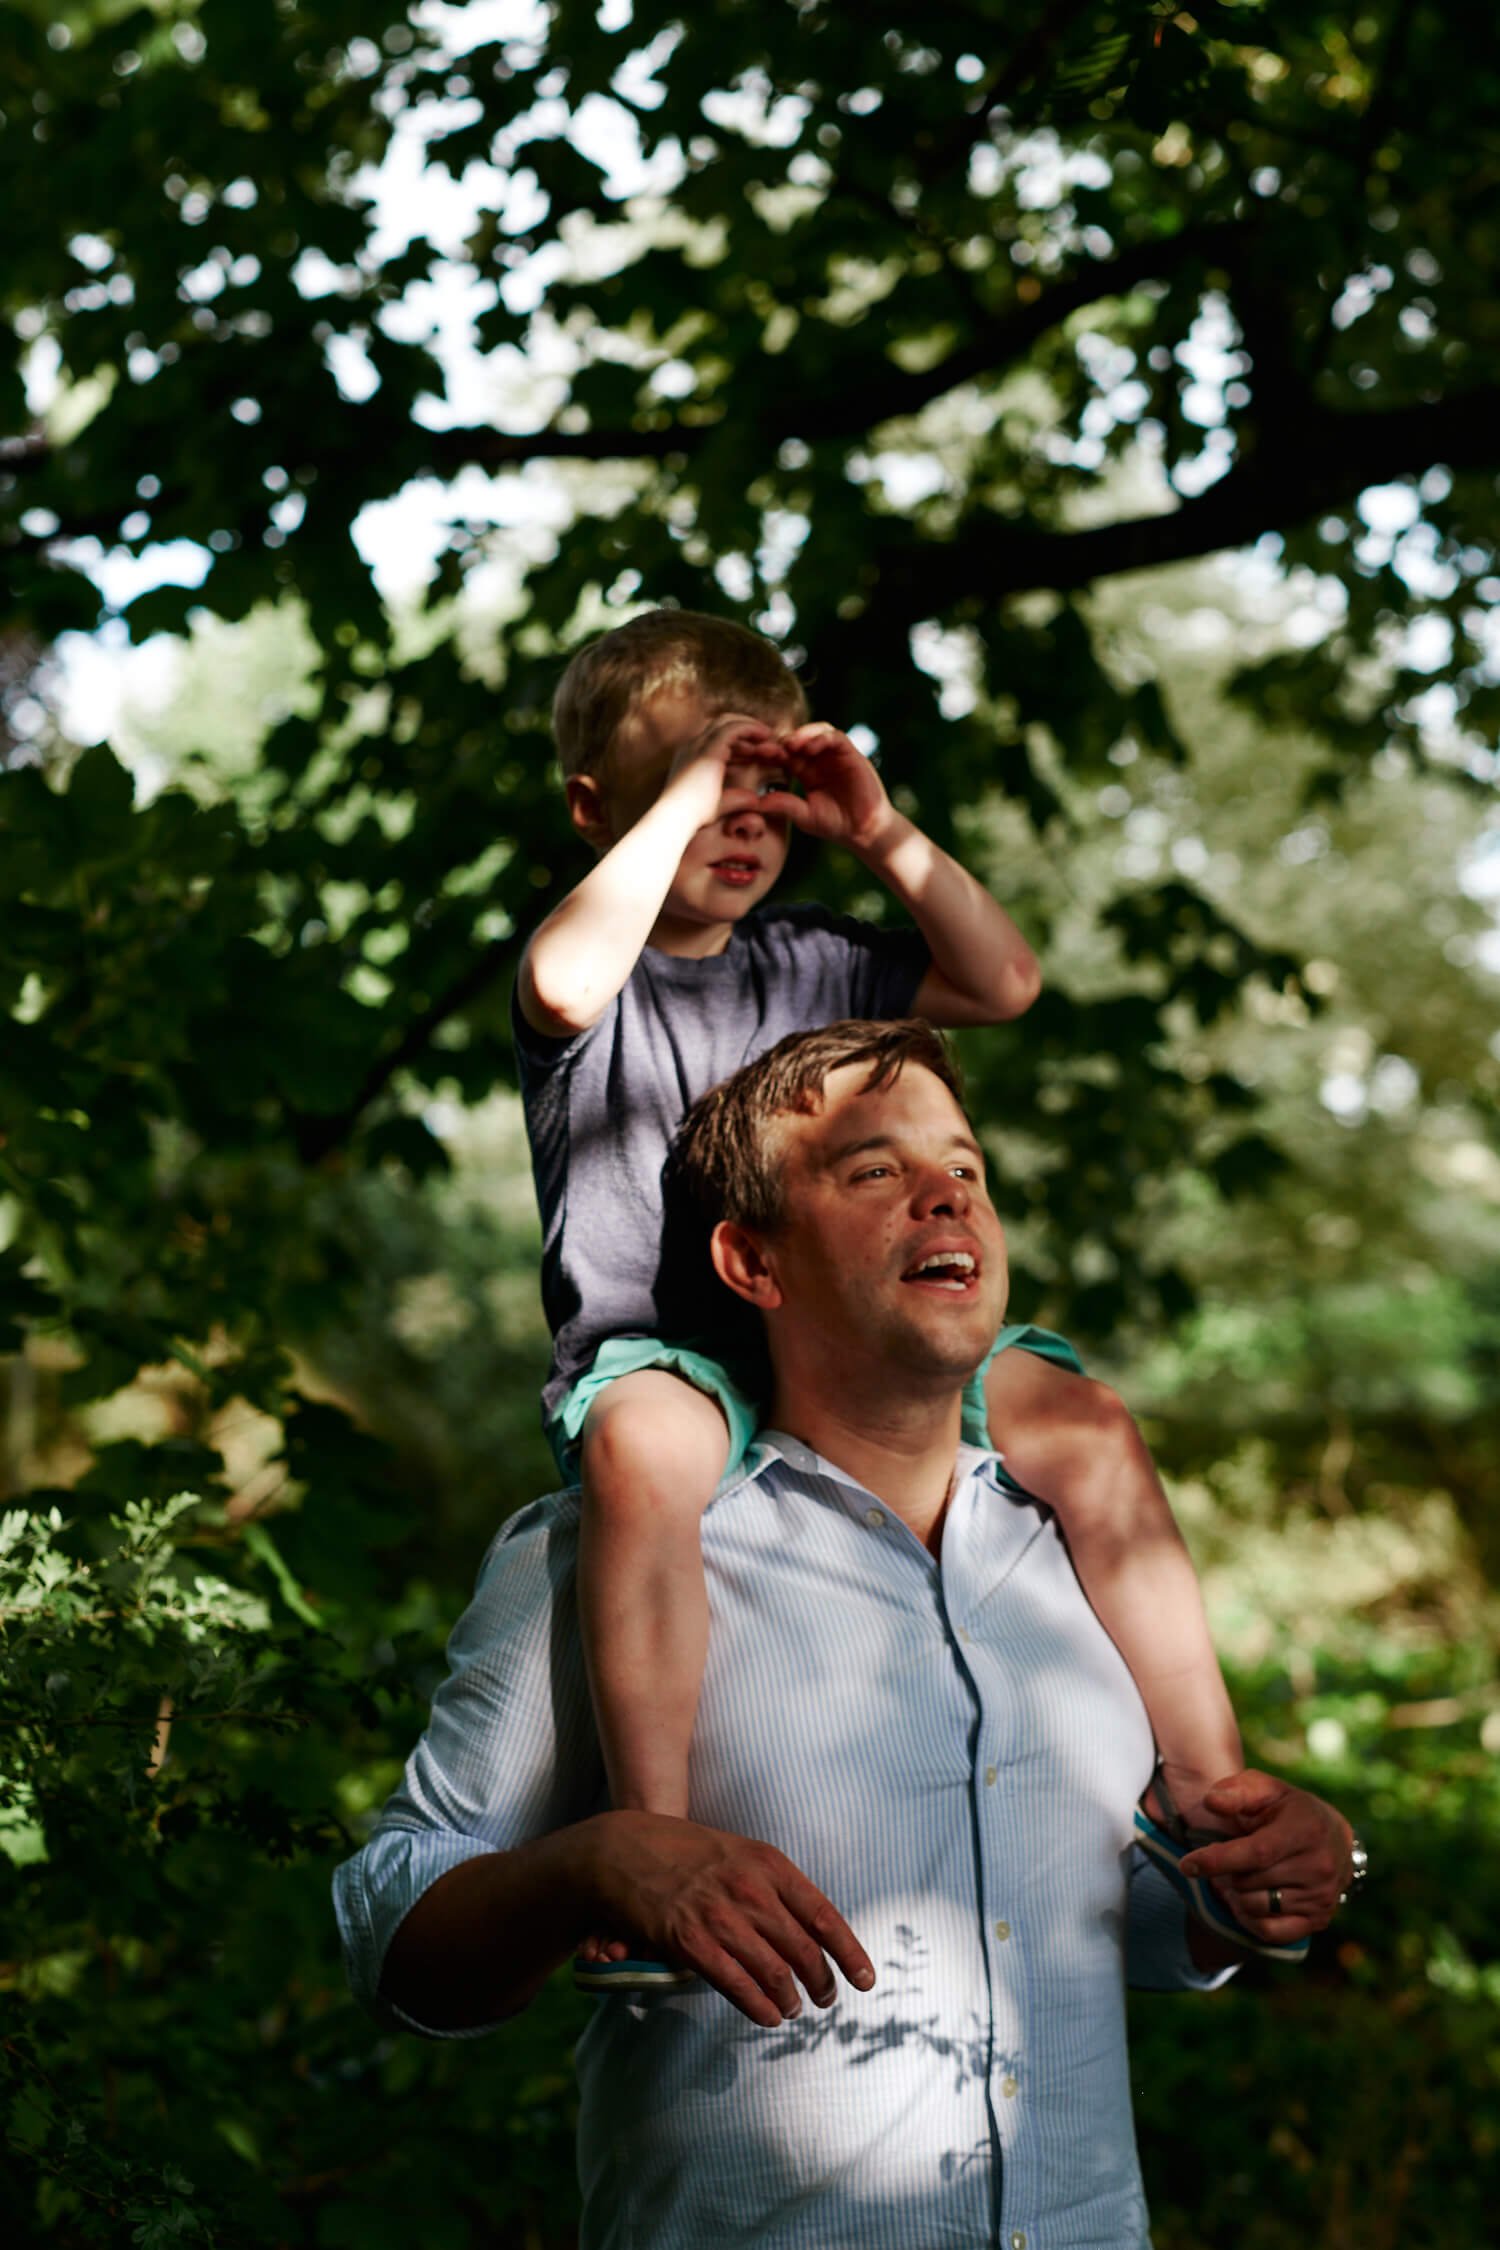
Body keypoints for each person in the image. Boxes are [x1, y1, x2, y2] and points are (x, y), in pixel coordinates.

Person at [333, 1019, 1359, 2250]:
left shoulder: (1075, 1555)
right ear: (752, 1262)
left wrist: (1262, 1883)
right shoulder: (602, 1553)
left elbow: (1106, 1926)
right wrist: (591, 1864)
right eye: (875, 1171)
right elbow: (389, 1930)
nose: (946, 1196)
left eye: (967, 1170)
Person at [512, 609, 1248, 1978]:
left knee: (1084, 1422)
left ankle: (1207, 1788)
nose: (738, 824)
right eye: (692, 784)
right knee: (640, 1448)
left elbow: (1003, 979)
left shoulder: (809, 958)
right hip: (675, 1355)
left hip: (860, 1339)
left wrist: (879, 830)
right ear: (596, 807)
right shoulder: (596, 968)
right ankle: (653, 1833)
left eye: (762, 800)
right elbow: (559, 981)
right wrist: (679, 809)